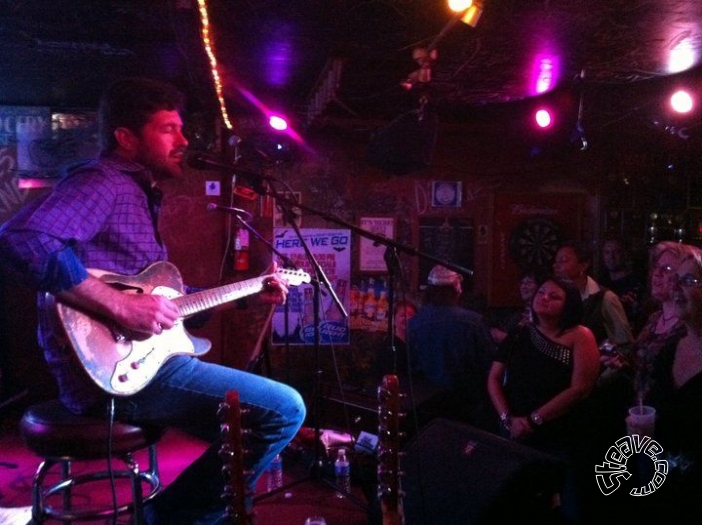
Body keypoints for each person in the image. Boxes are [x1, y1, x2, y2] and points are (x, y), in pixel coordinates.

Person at [0, 77, 306, 524]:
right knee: (284, 409)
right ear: (126, 138)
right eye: (168, 129)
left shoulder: (141, 194)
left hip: (143, 364)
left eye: (182, 129)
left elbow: (169, 312)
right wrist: (120, 307)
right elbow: (22, 240)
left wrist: (252, 291)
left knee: (250, 423)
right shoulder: (104, 182)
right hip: (112, 374)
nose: (183, 140)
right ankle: (169, 518)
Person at [487, 276, 600, 522]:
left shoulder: (580, 336)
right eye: (541, 293)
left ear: (568, 305)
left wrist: (534, 420)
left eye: (554, 296)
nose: (544, 298)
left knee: (569, 507)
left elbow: (580, 388)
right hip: (515, 431)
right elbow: (494, 379)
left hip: (560, 434)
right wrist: (508, 419)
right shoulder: (519, 332)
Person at [625, 245, 702, 523]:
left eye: (689, 280)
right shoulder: (671, 349)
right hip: (662, 481)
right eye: (677, 279)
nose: (677, 288)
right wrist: (643, 432)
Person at [407, 265, 496, 428]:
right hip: (467, 407)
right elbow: (489, 364)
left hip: (426, 406)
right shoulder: (473, 321)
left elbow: (411, 365)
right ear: (457, 288)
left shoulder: (414, 323)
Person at [599, 236, 645, 332]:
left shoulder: (636, 283)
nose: (611, 257)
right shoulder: (601, 281)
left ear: (625, 254)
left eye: (616, 252)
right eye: (607, 252)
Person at [490, 269, 543, 344]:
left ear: (540, 287)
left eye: (529, 283)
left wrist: (506, 338)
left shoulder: (542, 315)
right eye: (522, 283)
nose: (524, 286)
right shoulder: (518, 315)